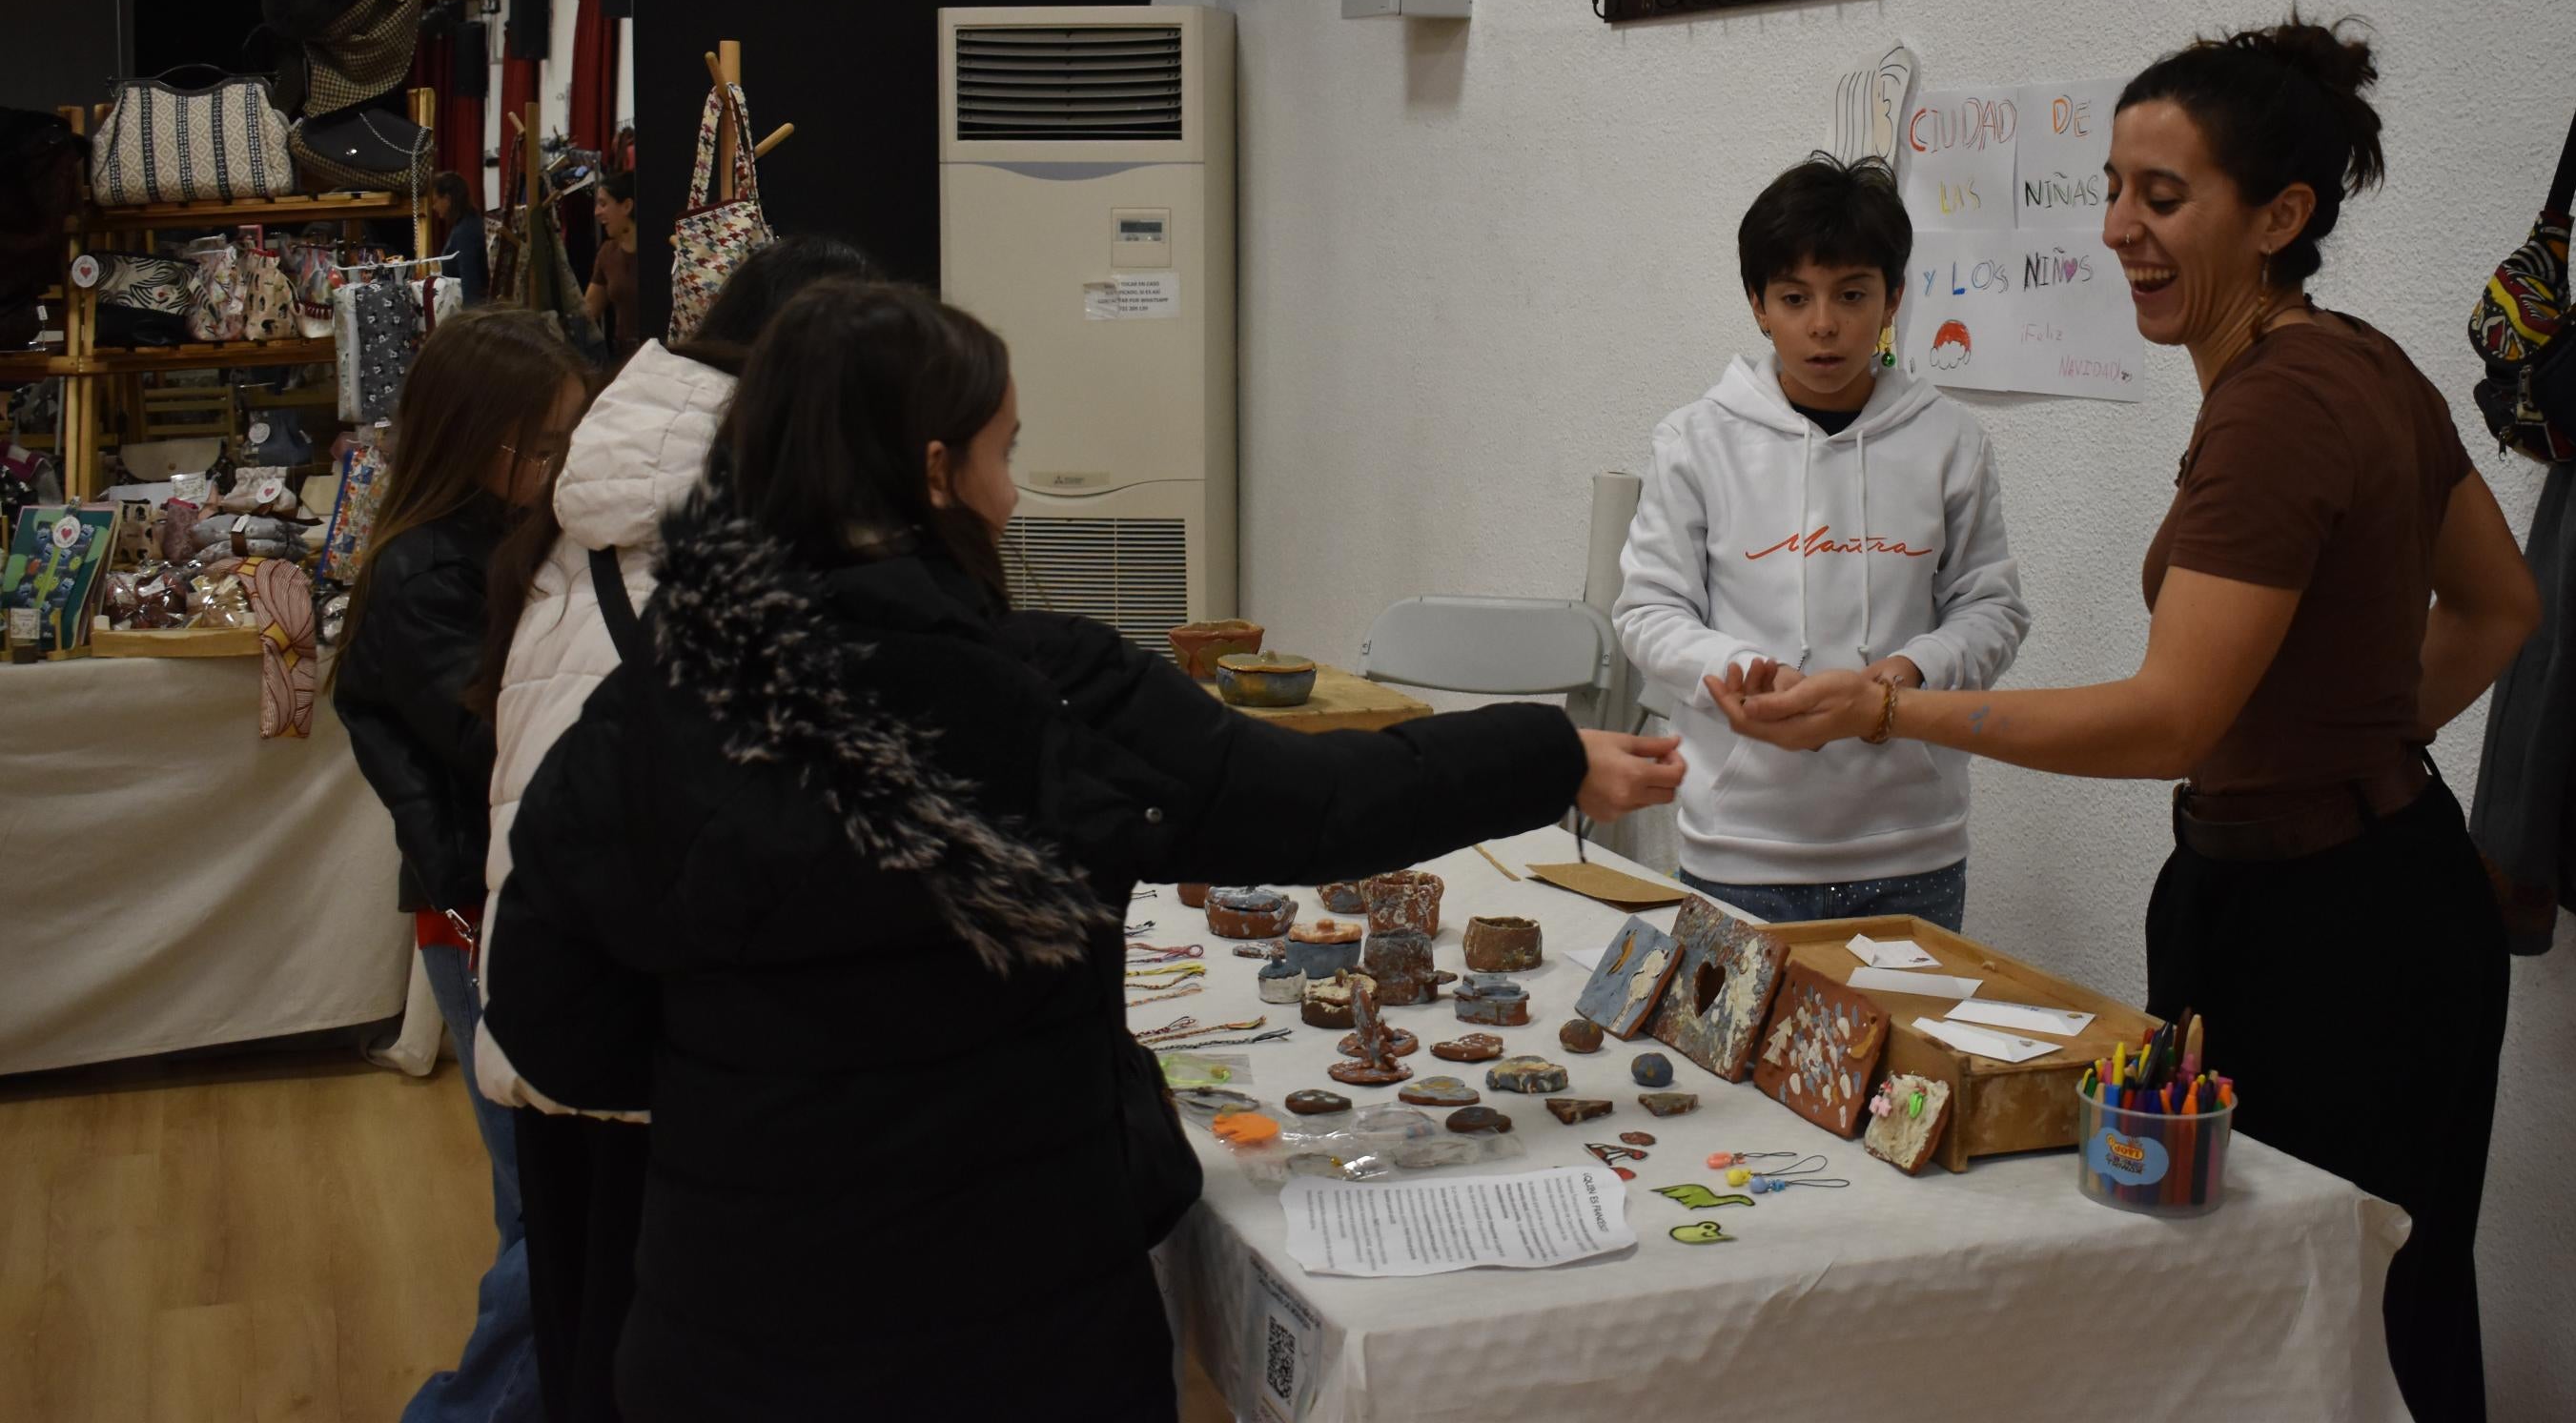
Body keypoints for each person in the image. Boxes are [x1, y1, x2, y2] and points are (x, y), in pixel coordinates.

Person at [483, 281, 1685, 1419]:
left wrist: (747, 1085)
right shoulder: (1048, 689)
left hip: (734, 1337)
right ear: (936, 472)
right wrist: (1549, 752)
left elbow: (548, 1018)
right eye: (1004, 451)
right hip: (1021, 1335)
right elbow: (1317, 804)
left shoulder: (648, 708)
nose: (1016, 493)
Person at [1709, 20, 2535, 1423]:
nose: (2119, 232)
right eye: (2112, 189)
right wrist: (2360, 751)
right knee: (2395, 1292)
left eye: (2164, 198)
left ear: (2280, 217)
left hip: (2324, 932)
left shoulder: (2277, 410)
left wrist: (1892, 708)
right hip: (2383, 885)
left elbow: (2167, 717)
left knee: (2307, 1313)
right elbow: (2503, 609)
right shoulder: (2360, 362)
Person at [465, 236, 879, 1423]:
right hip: (673, 1037)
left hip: (562, 1007)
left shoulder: (598, 510)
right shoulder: (734, 538)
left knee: (592, 1337)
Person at [1614, 152, 2028, 931]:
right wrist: (1738, 674)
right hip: (1740, 849)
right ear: (1758, 306)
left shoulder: (1950, 441)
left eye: (1852, 294)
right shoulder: (1695, 441)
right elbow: (1646, 611)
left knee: (1902, 1058)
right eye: (1795, 297)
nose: (1825, 324)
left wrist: (1902, 679)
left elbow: (1992, 610)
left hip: (1915, 852)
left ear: (1894, 299)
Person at [334, 306, 592, 1423]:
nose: (563, 466)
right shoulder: (425, 572)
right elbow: (500, 745)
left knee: (537, 1209)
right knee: (551, 1220)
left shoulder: (496, 542)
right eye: (547, 444)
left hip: (501, 902)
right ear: (484, 442)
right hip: (483, 911)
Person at [579, 170, 638, 363]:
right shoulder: (607, 252)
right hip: (623, 361)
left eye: (603, 204)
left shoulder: (659, 252)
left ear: (627, 206)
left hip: (662, 357)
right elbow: (589, 311)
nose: (596, 212)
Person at [434, 171, 492, 303]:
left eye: (435, 201)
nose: (434, 207)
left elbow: (471, 283)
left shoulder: (465, 231)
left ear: (447, 199)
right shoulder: (469, 221)